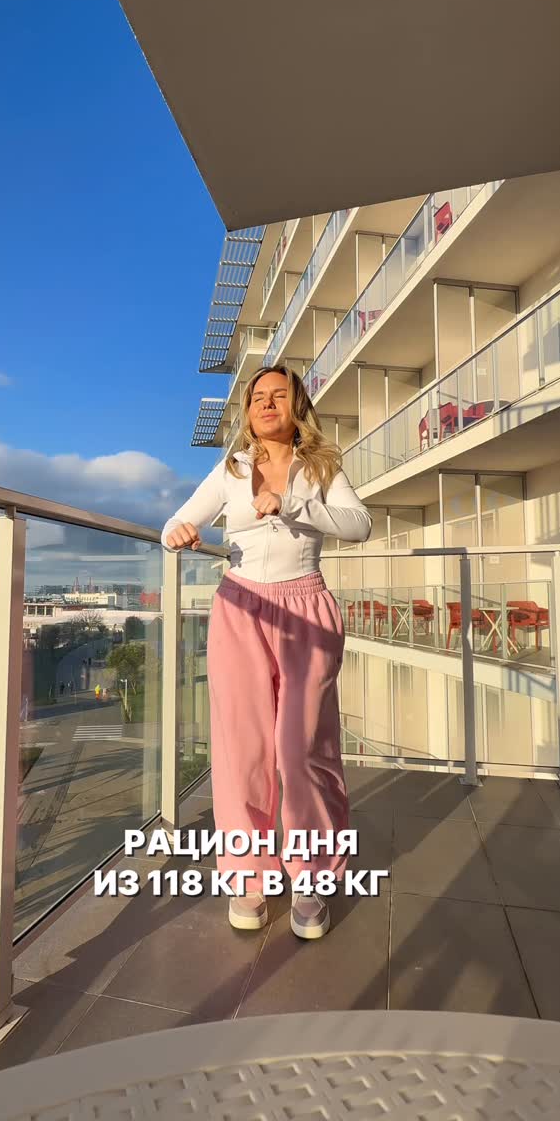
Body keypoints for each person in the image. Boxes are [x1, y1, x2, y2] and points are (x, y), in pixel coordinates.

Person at [161, 365, 372, 940]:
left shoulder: (321, 467)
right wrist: (177, 534)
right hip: (240, 607)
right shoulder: (231, 469)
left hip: (306, 608)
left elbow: (360, 525)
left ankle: (313, 878)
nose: (266, 403)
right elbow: (176, 521)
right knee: (242, 750)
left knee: (302, 749)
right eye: (257, 396)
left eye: (278, 394)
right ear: (248, 411)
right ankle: (248, 877)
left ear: (296, 406)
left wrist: (294, 505)